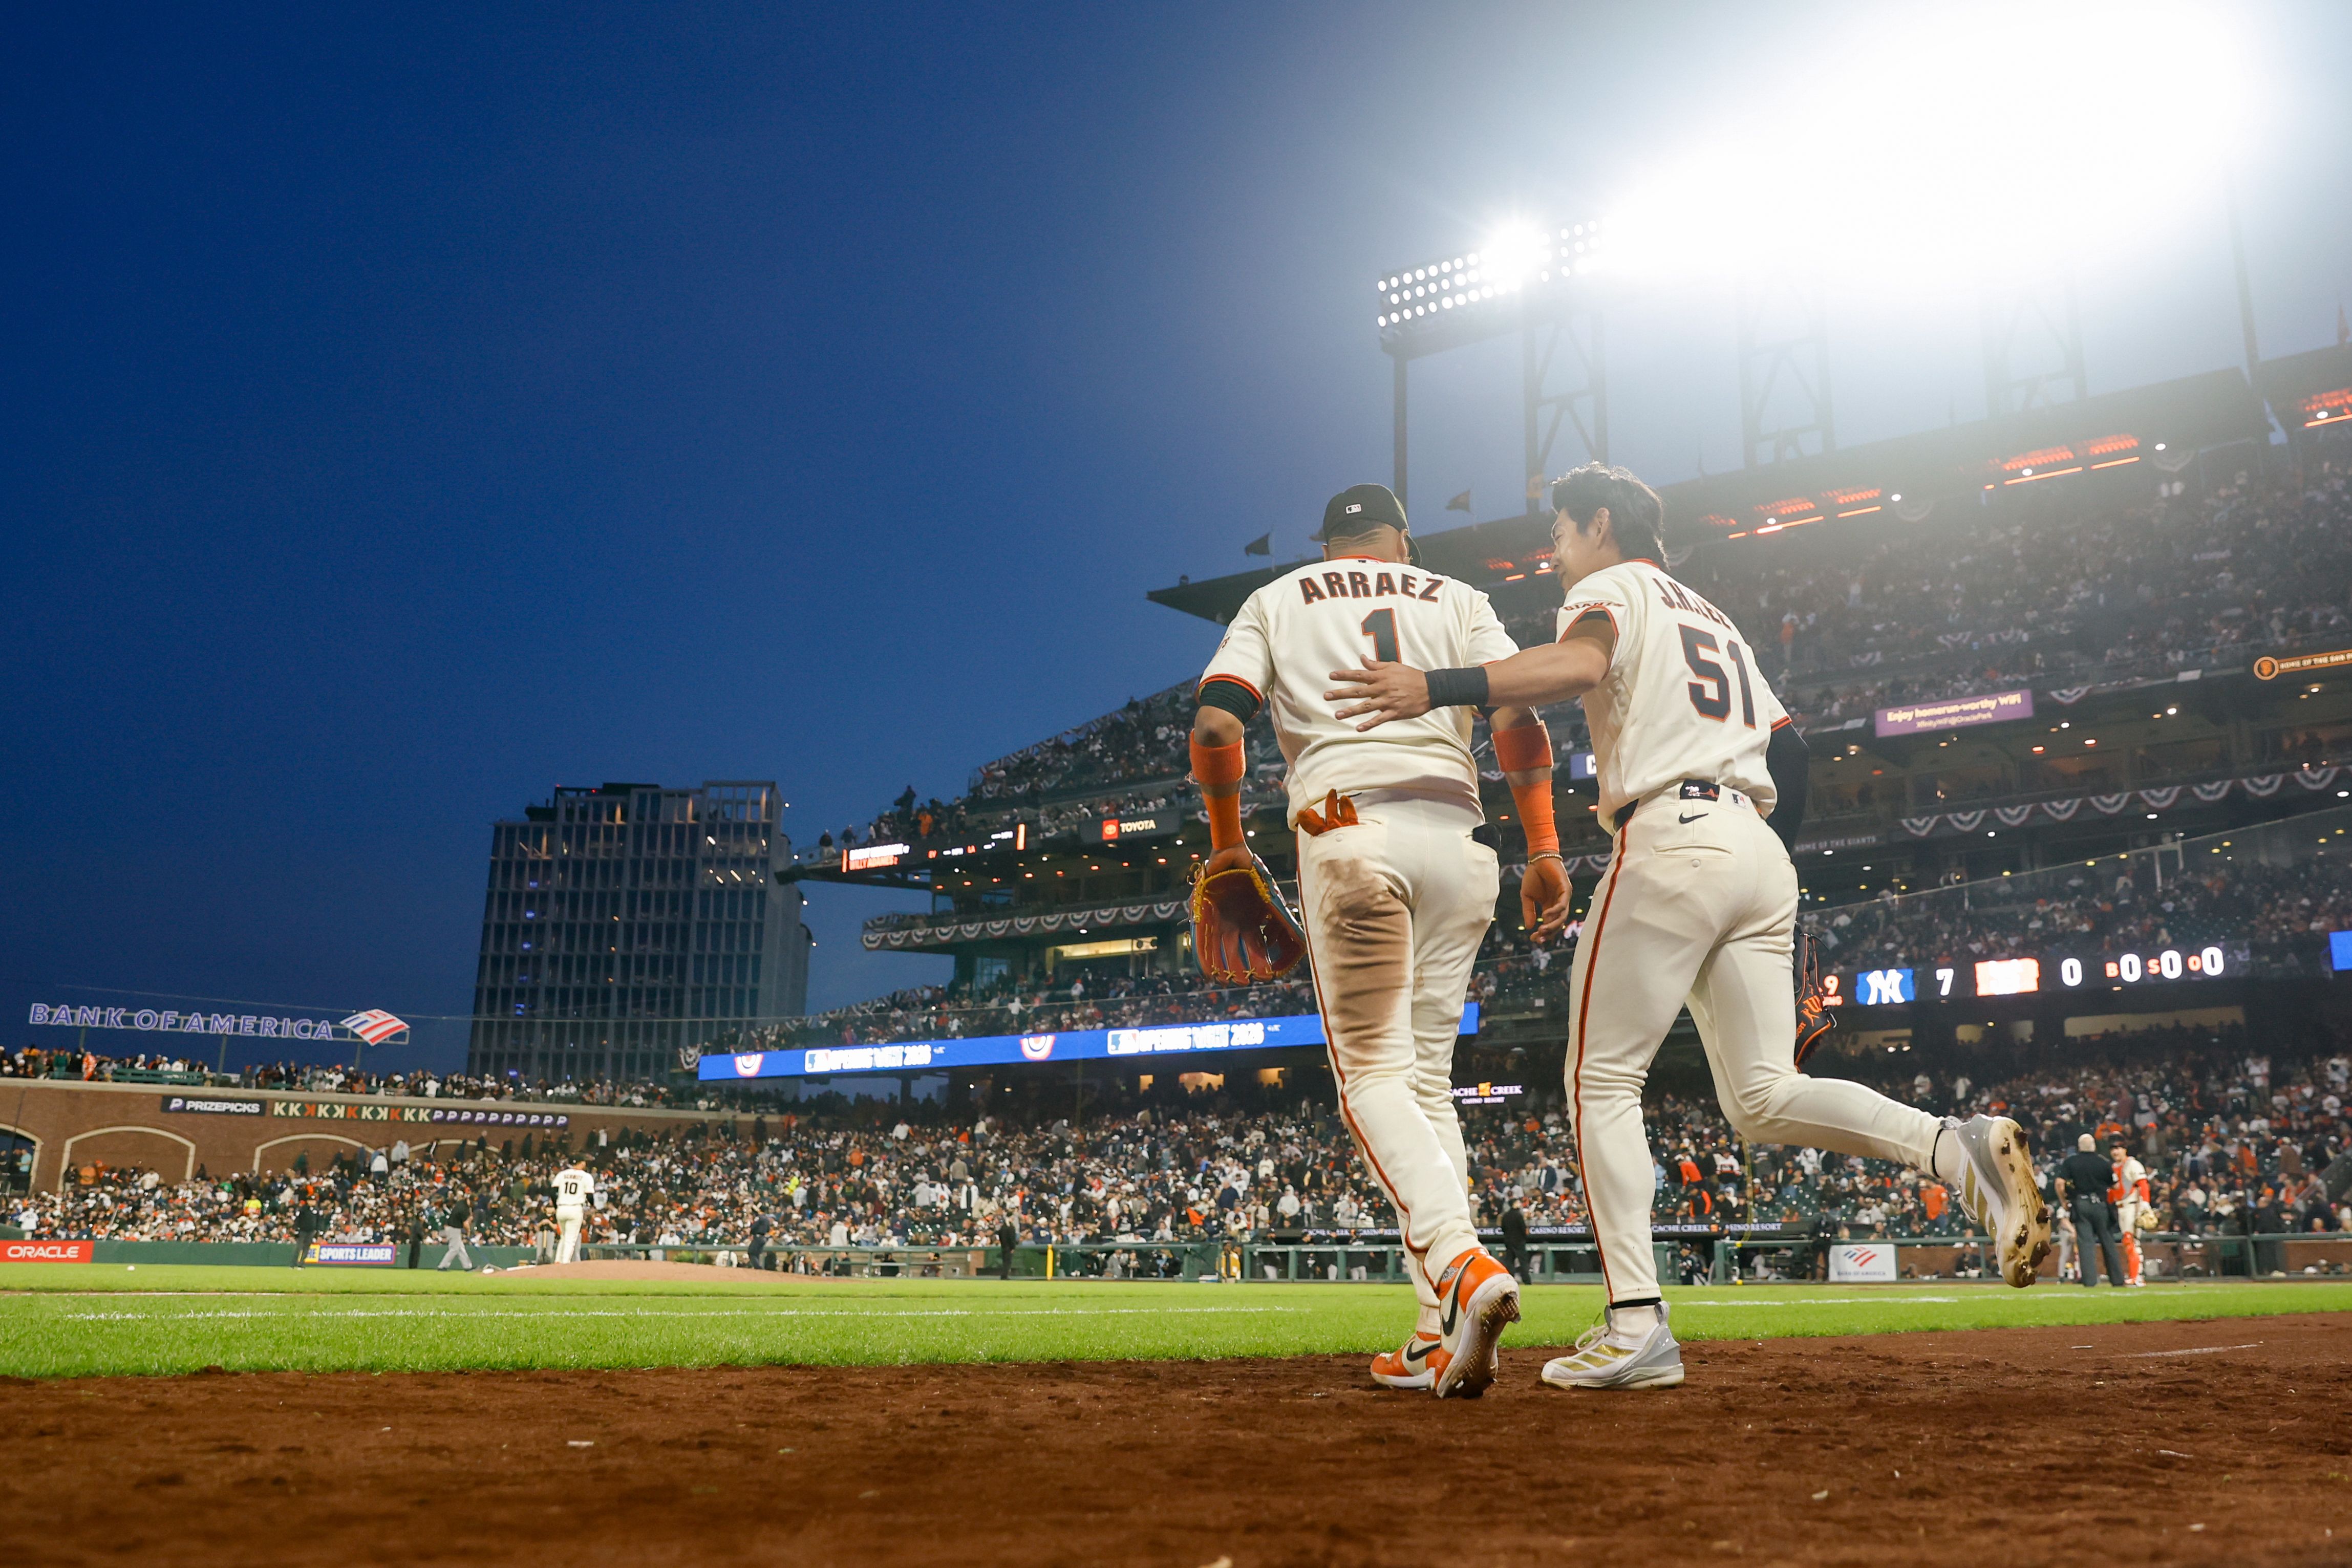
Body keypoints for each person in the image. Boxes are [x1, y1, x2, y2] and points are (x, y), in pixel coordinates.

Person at [1329, 462, 2052, 1391]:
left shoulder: (1610, 584)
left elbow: (1580, 665)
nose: (1550, 548)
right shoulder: (1710, 613)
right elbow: (1790, 746)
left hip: (1671, 831)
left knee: (1597, 1078)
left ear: (1600, 523)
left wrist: (1438, 681)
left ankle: (1634, 1318)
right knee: (1759, 1093)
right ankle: (1955, 1147)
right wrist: (1758, 862)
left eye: (1559, 528)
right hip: (1755, 844)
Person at [1191, 482, 1549, 1400]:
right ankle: (1436, 1334)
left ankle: (1462, 1268)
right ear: (1402, 538)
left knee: (1373, 1081)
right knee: (1425, 1082)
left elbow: (1215, 723)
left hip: (1347, 823)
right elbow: (1516, 716)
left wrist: (1228, 842)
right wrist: (1544, 845)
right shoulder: (1458, 597)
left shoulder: (1278, 597)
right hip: (1461, 839)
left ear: (1328, 542)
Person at [2055, 1134, 2127, 1287]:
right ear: (2094, 1146)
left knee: (2086, 1243)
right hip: (2101, 1205)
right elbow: (2115, 1185)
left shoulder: (2071, 1162)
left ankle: (2089, 1281)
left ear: (2079, 1147)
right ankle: (2117, 1279)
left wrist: (2064, 1202)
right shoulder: (2104, 1162)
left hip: (2081, 1204)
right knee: (2108, 1241)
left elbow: (2060, 1183)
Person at [2110, 1140, 2150, 1287]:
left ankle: (2137, 1276)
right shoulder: (2114, 1167)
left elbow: (2143, 1184)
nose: (2116, 1152)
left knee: (2131, 1240)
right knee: (2129, 1242)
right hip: (2121, 1207)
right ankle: (2136, 1275)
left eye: (2118, 1148)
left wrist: (2145, 1204)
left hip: (2132, 1206)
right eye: (2113, 1149)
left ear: (2125, 1149)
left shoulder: (2132, 1164)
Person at [551, 1158, 593, 1265]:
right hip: (575, 1208)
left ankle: (558, 1260)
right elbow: (590, 1196)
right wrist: (592, 1205)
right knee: (570, 1239)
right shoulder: (586, 1176)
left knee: (564, 1237)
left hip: (562, 1207)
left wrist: (557, 1207)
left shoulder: (562, 1174)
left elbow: (552, 1192)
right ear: (582, 1163)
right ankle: (565, 1262)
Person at [436, 1195, 474, 1273]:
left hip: (453, 1228)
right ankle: (442, 1266)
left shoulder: (462, 1203)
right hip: (454, 1229)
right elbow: (466, 1224)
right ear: (469, 1200)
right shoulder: (463, 1209)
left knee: (461, 1249)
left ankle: (468, 1267)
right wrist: (469, 1233)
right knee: (454, 1249)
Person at [1500, 1197, 1531, 1283]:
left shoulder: (1506, 1215)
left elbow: (1503, 1228)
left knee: (1509, 1261)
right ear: (1514, 1204)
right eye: (1518, 1202)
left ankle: (1509, 1279)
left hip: (1508, 1241)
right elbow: (1523, 1229)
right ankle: (1527, 1280)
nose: (1520, 1204)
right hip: (1519, 1241)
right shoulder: (1518, 1215)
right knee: (1523, 1262)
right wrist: (1524, 1237)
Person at [996, 1214, 1018, 1280]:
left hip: (1004, 1247)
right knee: (1008, 1262)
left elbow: (1000, 1236)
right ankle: (1005, 1276)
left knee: (1005, 1262)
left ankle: (1004, 1275)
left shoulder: (1003, 1227)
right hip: (1008, 1248)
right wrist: (1013, 1248)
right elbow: (1012, 1239)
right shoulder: (1010, 1227)